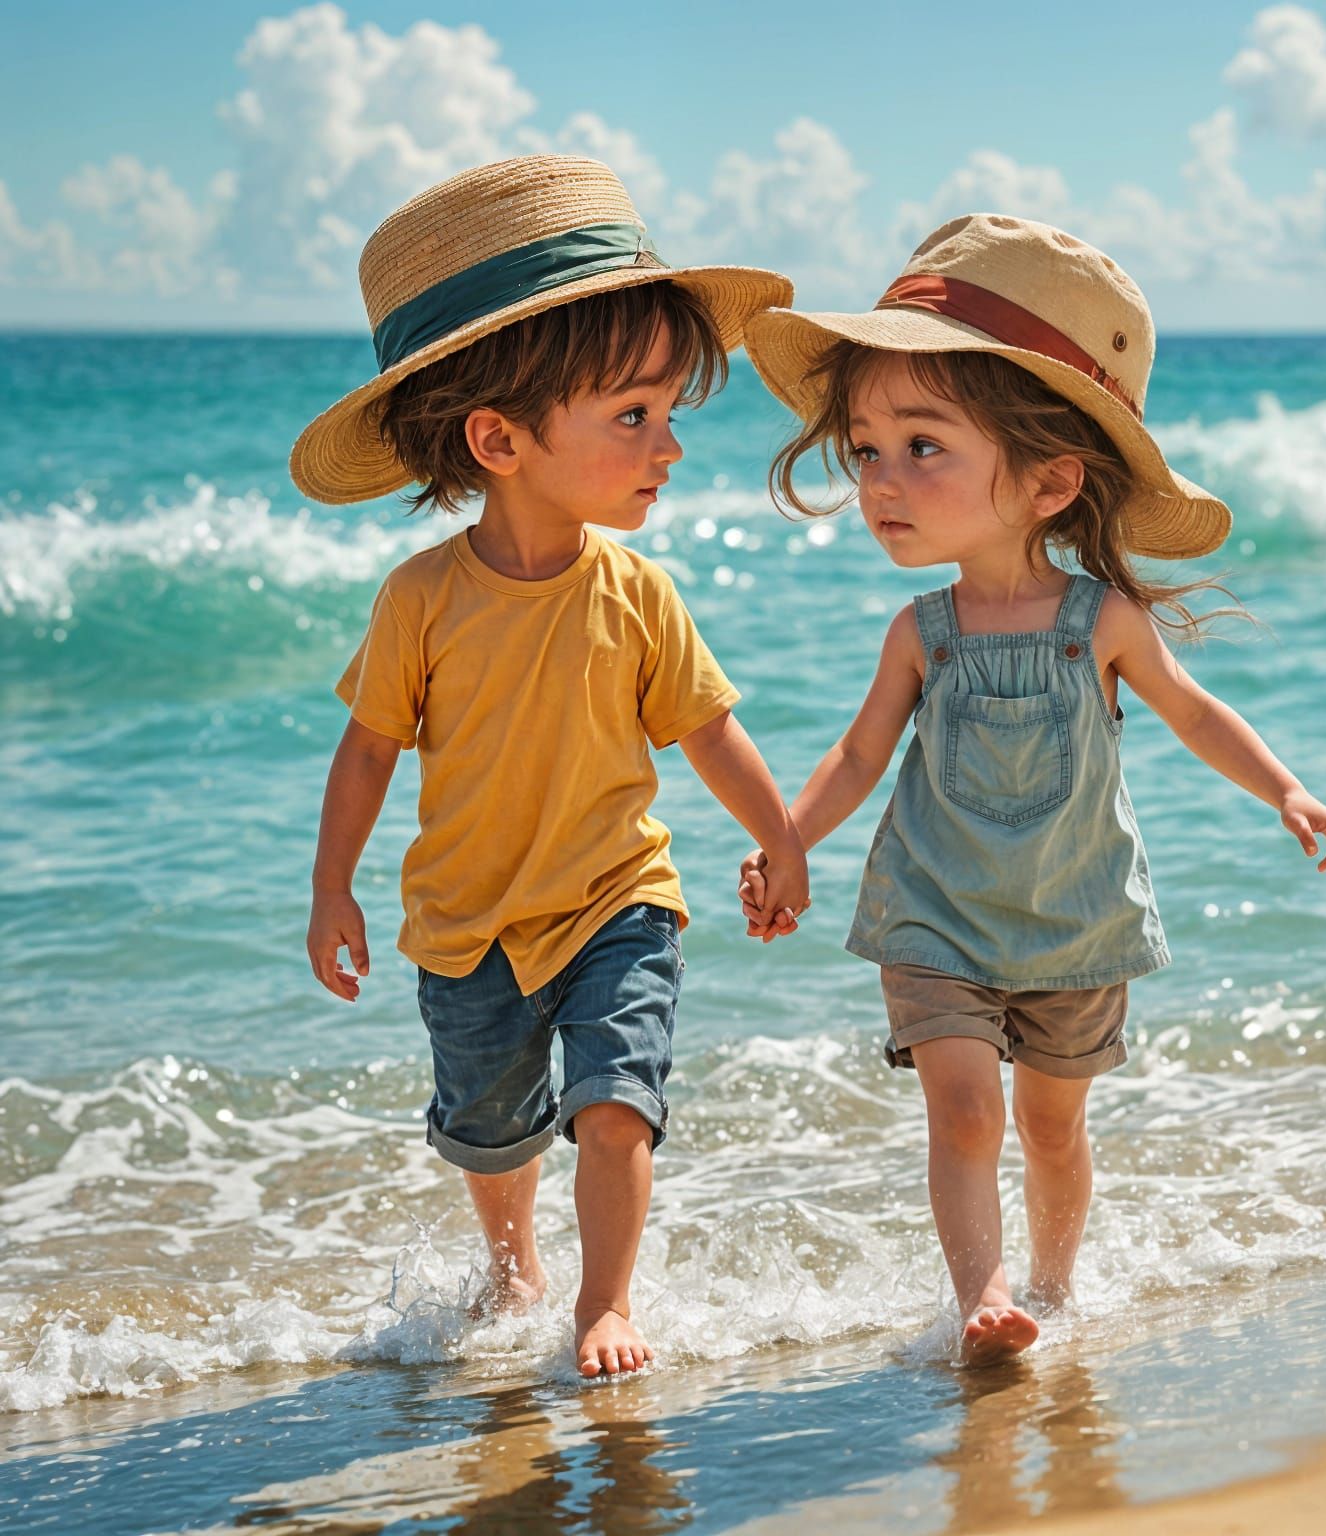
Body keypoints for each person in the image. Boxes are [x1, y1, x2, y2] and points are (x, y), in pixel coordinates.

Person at [738, 215, 1326, 1365]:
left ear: (1051, 479)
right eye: (866, 450)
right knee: (966, 1110)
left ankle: (1056, 1292)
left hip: (1075, 917)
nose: (881, 481)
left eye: (923, 447)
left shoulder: (1101, 622)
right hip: (938, 917)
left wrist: (1288, 791)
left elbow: (1195, 713)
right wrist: (788, 842)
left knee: (1053, 1129)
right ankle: (985, 1299)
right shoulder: (919, 633)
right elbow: (861, 756)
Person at [297, 156, 809, 1378]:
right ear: (500, 439)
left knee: (616, 1099)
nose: (669, 446)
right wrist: (332, 888)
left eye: (671, 413)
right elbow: (368, 747)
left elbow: (706, 730)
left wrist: (780, 834)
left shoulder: (637, 591)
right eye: (633, 416)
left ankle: (604, 1306)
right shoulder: (421, 600)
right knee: (489, 1132)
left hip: (616, 899)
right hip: (467, 923)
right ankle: (514, 1263)